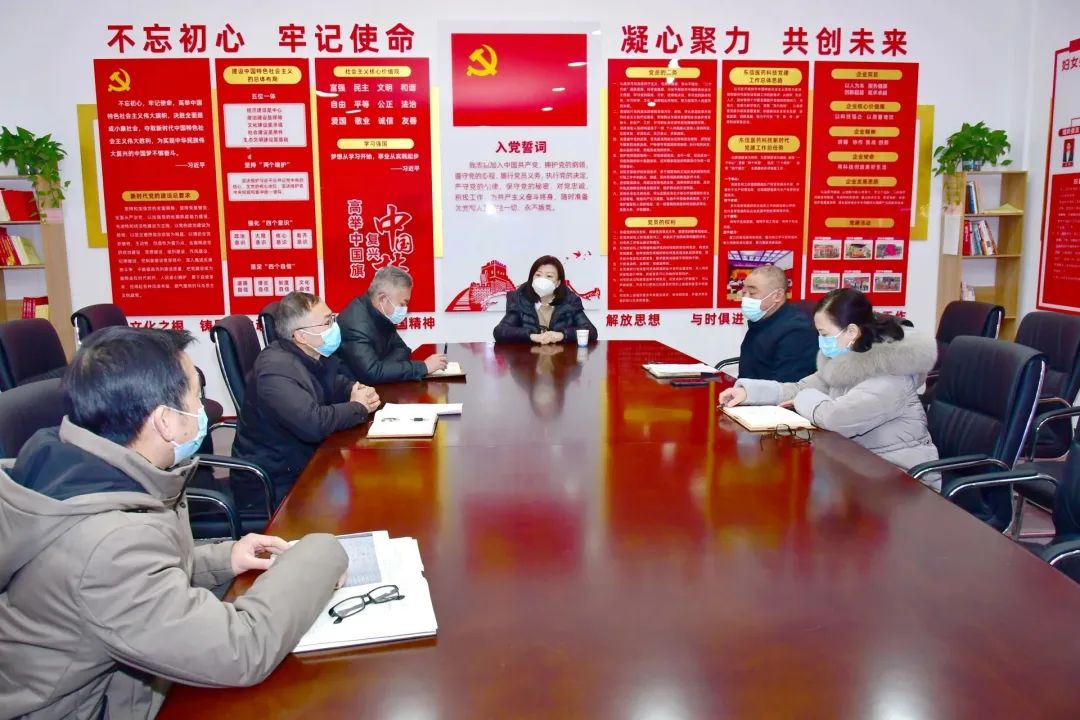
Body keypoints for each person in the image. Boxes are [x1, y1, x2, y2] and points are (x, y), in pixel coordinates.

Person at [0, 326, 348, 719]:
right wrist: (323, 549)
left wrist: (225, 558)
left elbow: (132, 580)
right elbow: (241, 649)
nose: (203, 409)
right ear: (165, 421)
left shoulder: (85, 471)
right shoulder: (108, 544)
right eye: (196, 397)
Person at [718, 288, 939, 473]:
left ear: (851, 331)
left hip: (899, 477)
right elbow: (800, 388)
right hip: (854, 464)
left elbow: (837, 418)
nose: (820, 341)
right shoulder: (845, 360)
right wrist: (749, 392)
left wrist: (803, 399)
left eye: (824, 334)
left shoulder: (890, 375)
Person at [233, 291, 381, 502]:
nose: (334, 327)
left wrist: (356, 390)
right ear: (301, 336)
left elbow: (334, 383)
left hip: (303, 462)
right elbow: (313, 423)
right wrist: (358, 406)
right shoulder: (276, 370)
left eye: (332, 318)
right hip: (275, 483)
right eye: (327, 322)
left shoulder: (312, 353)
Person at [337, 266, 448, 383]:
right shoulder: (355, 324)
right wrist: (423, 367)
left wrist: (383, 367)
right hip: (353, 391)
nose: (405, 309)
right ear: (383, 299)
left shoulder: (381, 315)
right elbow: (372, 373)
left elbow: (403, 349)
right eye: (402, 304)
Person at [734, 265, 818, 382]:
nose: (745, 298)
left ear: (777, 295)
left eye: (752, 293)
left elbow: (786, 386)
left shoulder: (797, 331)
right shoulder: (762, 320)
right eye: (744, 292)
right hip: (747, 389)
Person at [493, 255, 598, 344]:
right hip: (528, 359)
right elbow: (500, 332)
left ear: (558, 283)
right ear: (532, 278)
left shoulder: (570, 301)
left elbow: (591, 332)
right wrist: (531, 336)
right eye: (538, 275)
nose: (542, 279)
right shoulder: (520, 300)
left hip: (561, 359)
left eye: (549, 276)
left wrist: (562, 335)